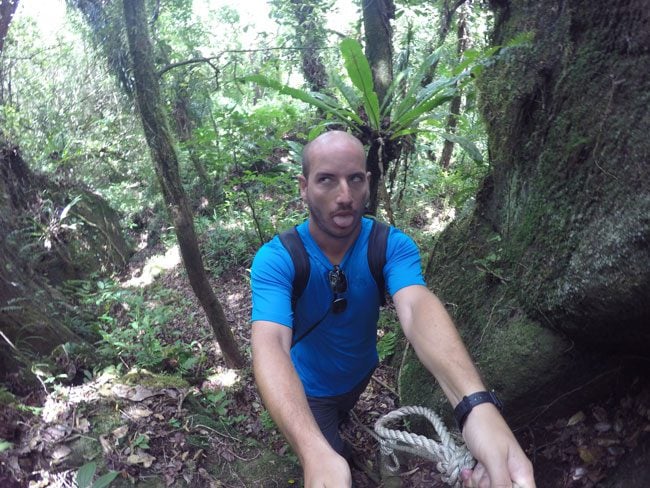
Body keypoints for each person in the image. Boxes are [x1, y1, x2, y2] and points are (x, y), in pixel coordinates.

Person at [250, 130, 535, 488]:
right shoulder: (278, 260)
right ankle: (337, 451)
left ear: (368, 183)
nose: (345, 196)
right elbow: (270, 343)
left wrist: (476, 407)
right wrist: (312, 450)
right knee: (329, 455)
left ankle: (340, 435)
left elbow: (416, 307)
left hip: (359, 374)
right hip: (311, 391)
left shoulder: (390, 246)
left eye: (355, 179)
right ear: (303, 187)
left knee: (341, 421)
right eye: (327, 180)